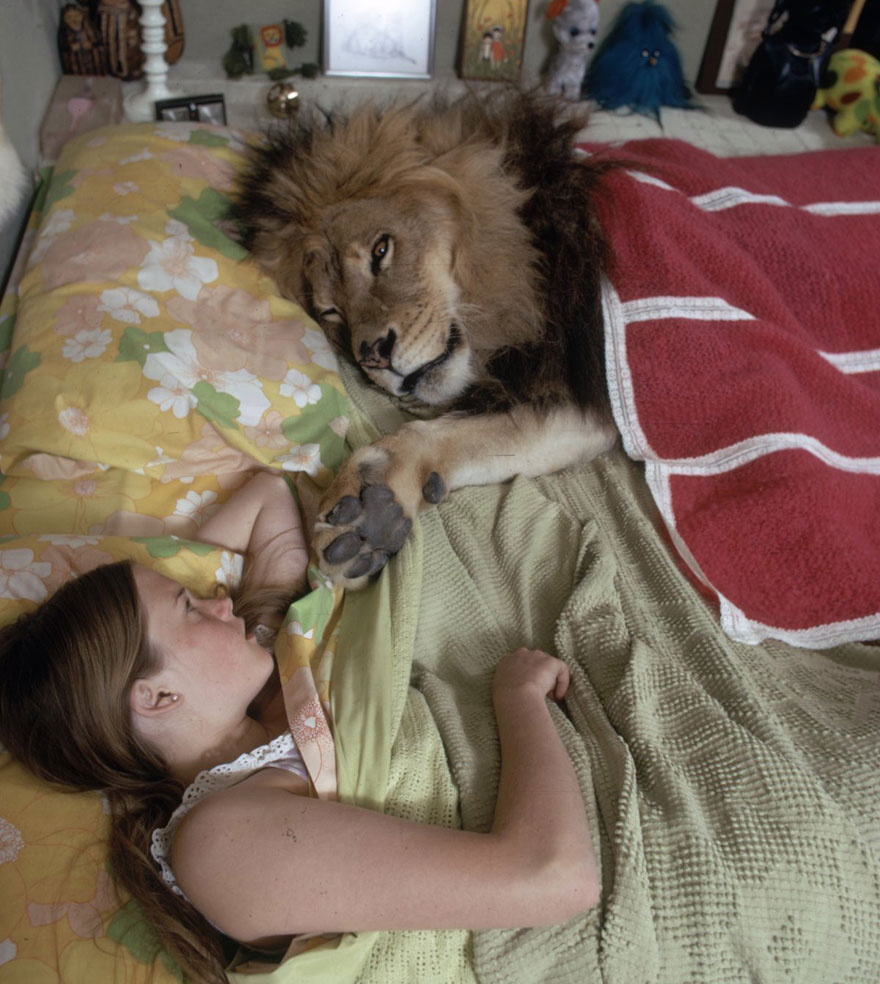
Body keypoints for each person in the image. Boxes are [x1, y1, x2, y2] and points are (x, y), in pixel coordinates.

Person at [0, 470, 599, 984]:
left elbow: (267, 495)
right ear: (157, 696)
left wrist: (182, 572)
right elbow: (552, 879)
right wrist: (518, 696)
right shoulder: (218, 845)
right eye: (187, 605)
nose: (217, 599)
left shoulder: (271, 686)